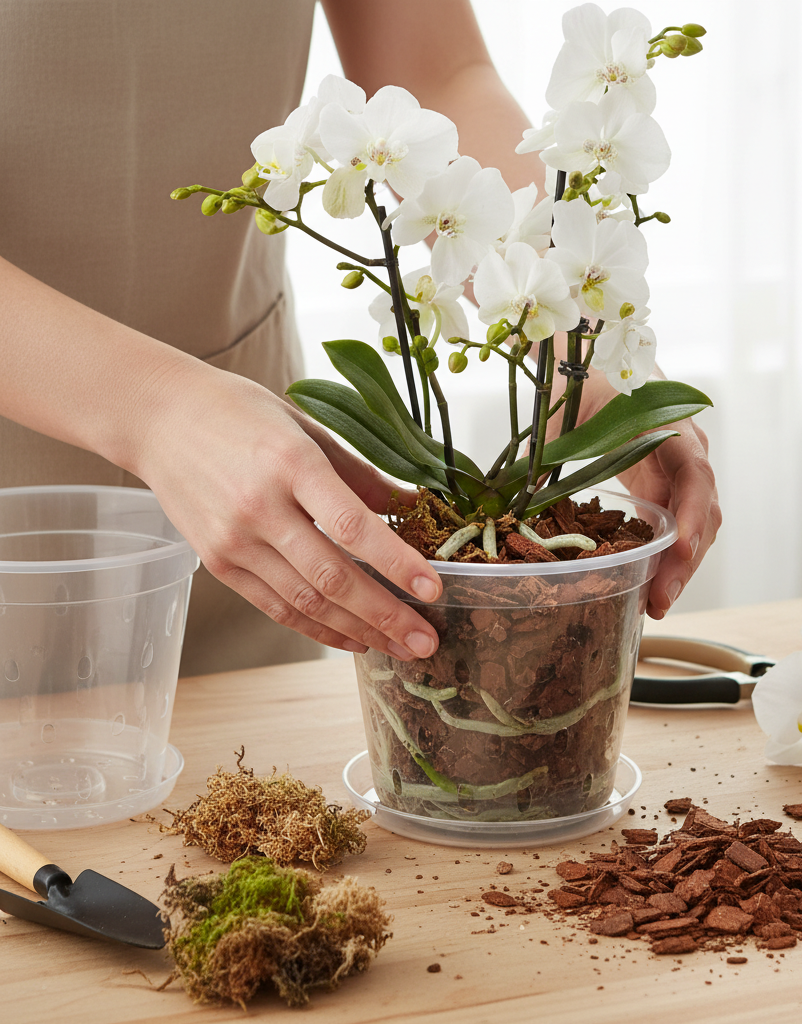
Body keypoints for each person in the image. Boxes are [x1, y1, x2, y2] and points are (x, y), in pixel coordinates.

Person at [0, 0, 720, 677]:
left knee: (262, 787)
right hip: (52, 444)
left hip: (265, 507)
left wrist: (567, 346)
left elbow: (435, 75)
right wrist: (153, 408)